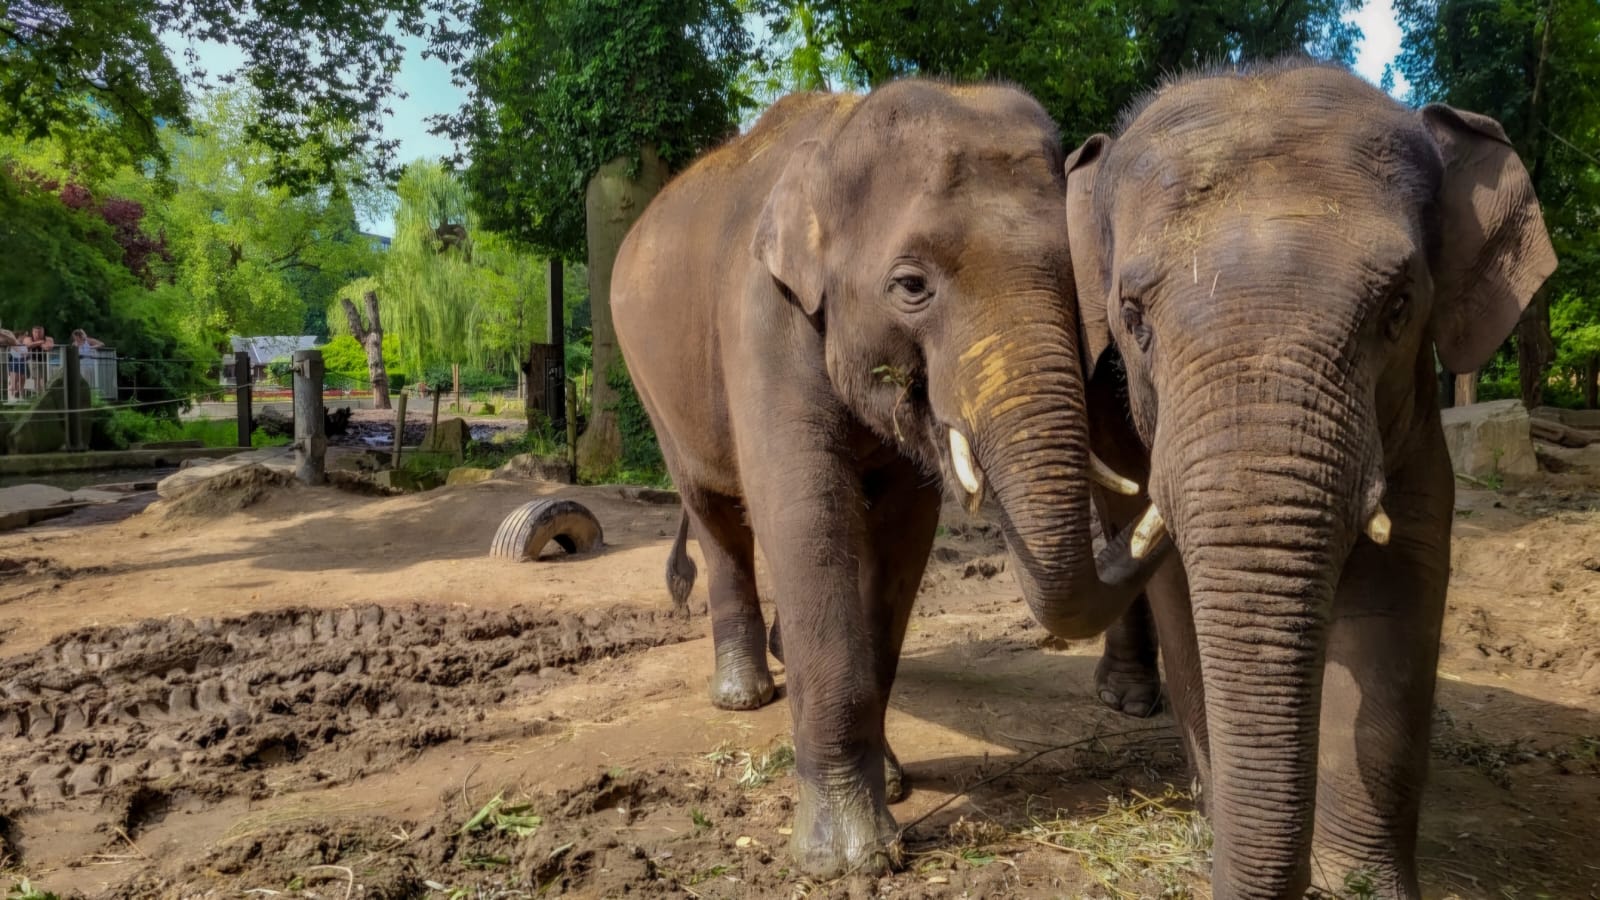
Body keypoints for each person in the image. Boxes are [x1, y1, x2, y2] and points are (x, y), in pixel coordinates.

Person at [23, 326, 54, 398]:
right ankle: (39, 395)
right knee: (36, 377)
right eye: (36, 332)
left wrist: (37, 344)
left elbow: (49, 347)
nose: (38, 334)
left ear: (43, 332)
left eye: (40, 332)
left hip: (45, 361)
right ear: (32, 332)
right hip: (32, 360)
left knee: (45, 378)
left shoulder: (48, 338)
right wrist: (41, 342)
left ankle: (41, 393)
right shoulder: (28, 338)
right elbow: (27, 345)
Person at [2, 329, 22, 401]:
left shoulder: (8, 334)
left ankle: (6, 398)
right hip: (7, 360)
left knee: (5, 381)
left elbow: (15, 343)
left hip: (7, 361)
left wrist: (4, 335)